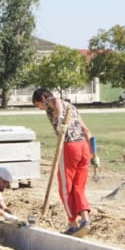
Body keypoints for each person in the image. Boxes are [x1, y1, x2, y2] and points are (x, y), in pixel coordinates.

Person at [32, 88, 92, 238]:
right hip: (84, 147)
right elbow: (86, 131)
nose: (39, 108)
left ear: (42, 99)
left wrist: (59, 119)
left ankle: (73, 223)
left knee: (65, 188)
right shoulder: (72, 107)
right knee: (78, 188)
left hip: (70, 146)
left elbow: (56, 101)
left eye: (37, 104)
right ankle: (85, 220)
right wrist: (94, 153)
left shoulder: (51, 103)